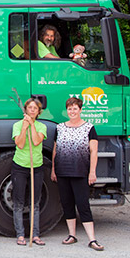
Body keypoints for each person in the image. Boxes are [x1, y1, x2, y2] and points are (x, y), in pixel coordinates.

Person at [51, 97, 103, 250]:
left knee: (82, 204)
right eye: (69, 109)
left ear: (80, 110)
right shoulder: (60, 128)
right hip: (62, 172)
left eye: (75, 108)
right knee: (67, 204)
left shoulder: (89, 128)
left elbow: (94, 151)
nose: (72, 111)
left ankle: (92, 239)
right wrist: (53, 169)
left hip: (80, 172)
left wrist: (92, 172)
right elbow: (55, 150)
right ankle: (72, 235)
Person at [11, 97, 47, 246]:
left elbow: (36, 141)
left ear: (38, 112)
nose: (32, 110)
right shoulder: (17, 125)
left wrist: (32, 125)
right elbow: (20, 144)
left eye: (35, 108)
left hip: (36, 166)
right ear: (25, 110)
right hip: (20, 166)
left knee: (35, 202)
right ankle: (20, 235)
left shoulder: (41, 126)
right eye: (30, 108)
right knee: (19, 202)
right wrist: (24, 128)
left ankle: (35, 234)